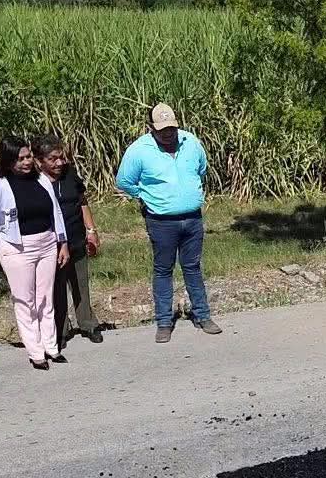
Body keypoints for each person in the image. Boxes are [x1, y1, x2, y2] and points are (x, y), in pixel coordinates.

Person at [116, 103, 223, 343]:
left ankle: (202, 315)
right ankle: (164, 321)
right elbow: (124, 181)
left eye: (171, 127)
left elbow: (201, 169)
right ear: (151, 128)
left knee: (193, 268)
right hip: (161, 221)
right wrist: (144, 196)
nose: (168, 133)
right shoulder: (139, 150)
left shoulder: (191, 142)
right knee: (163, 269)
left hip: (192, 219)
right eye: (162, 129)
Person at [0, 136, 71, 370]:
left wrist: (63, 242)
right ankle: (35, 351)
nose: (26, 162)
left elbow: (56, 213)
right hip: (18, 248)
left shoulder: (42, 179)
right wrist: (3, 241)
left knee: (45, 298)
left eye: (28, 156)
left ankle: (51, 346)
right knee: (26, 301)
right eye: (20, 159)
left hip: (47, 243)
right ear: (8, 162)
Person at [33, 135, 102, 346]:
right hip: (50, 244)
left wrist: (91, 230)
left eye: (61, 157)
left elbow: (82, 201)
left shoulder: (70, 173)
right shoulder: (34, 182)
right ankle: (60, 330)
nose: (59, 163)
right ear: (39, 161)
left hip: (76, 237)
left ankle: (88, 324)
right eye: (53, 159)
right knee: (56, 289)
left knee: (80, 284)